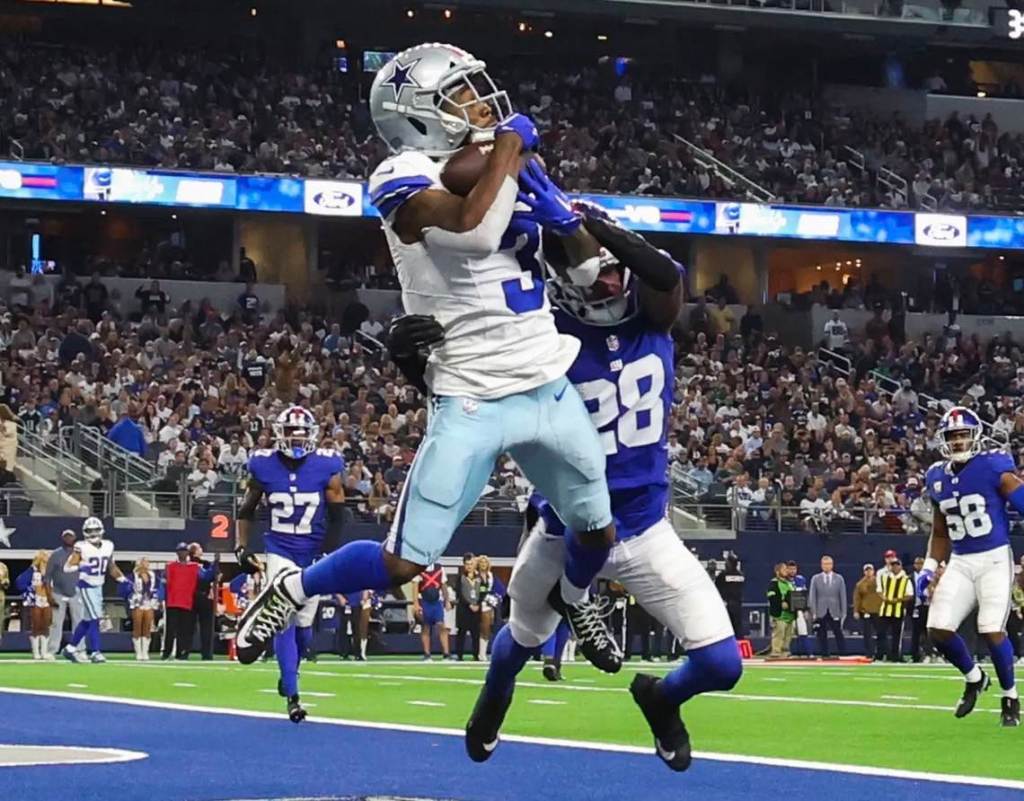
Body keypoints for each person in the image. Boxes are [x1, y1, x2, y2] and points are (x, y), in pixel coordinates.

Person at [234, 43, 619, 675]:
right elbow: (475, 232)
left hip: (547, 380)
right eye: (459, 92)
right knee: (403, 563)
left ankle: (575, 600)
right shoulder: (402, 172)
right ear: (414, 114)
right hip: (472, 392)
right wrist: (509, 153)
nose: (481, 101)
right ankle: (292, 589)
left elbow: (584, 272)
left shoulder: (502, 161)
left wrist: (560, 215)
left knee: (598, 529)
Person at [463, 201, 739, 772]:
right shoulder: (544, 339)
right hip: (565, 528)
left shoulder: (651, 316)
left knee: (721, 664)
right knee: (523, 637)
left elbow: (665, 275)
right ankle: (495, 696)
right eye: (601, 272)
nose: (613, 283)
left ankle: (660, 698)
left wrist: (599, 227)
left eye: (618, 270)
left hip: (644, 528)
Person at [234, 406, 345, 723]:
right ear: (279, 434)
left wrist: (328, 552)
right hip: (280, 549)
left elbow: (338, 516)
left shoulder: (327, 464)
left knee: (304, 631)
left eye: (301, 433)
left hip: (312, 552)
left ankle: (290, 674)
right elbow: (246, 509)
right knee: (282, 619)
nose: (296, 439)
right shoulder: (263, 464)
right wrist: (241, 546)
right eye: (290, 433)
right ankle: (293, 697)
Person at [917, 407, 1021, 726]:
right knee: (938, 628)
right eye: (953, 436)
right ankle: (975, 678)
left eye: (964, 435)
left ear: (976, 436)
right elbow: (939, 532)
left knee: (991, 629)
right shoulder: (936, 476)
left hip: (994, 558)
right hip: (961, 560)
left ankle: (1010, 697)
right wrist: (928, 568)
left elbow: (1018, 495)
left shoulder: (992, 465)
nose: (959, 441)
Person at [62, 517, 131, 663]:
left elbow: (111, 566)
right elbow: (67, 568)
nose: (93, 533)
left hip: (98, 585)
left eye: (95, 530)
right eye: (90, 530)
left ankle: (70, 648)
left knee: (87, 620)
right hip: (86, 585)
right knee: (95, 619)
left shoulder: (108, 545)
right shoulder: (81, 546)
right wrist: (81, 567)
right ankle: (95, 651)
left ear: (101, 530)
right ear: (85, 532)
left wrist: (123, 579)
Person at [45, 529, 83, 659]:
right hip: (58, 593)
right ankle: (51, 650)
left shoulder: (81, 554)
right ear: (62, 538)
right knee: (56, 623)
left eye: (70, 536)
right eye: (66, 537)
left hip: (76, 593)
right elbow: (47, 576)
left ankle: (79, 650)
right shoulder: (55, 554)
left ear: (75, 538)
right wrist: (49, 596)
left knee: (79, 623)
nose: (68, 539)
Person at [808, 556, 847, 659]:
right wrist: (814, 612)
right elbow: (812, 596)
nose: (827, 566)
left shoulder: (839, 578)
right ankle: (824, 654)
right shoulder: (815, 578)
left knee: (838, 632)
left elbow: (843, 596)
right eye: (825, 564)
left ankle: (843, 653)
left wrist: (843, 612)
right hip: (821, 610)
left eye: (829, 564)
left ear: (832, 565)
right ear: (821, 565)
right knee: (821, 634)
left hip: (835, 610)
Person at [412, 562, 451, 660]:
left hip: (437, 602)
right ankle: (427, 654)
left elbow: (444, 585)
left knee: (441, 625)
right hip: (424, 601)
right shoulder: (419, 568)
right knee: (425, 627)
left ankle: (446, 654)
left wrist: (447, 601)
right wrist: (416, 604)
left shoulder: (439, 568)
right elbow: (415, 586)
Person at [877, 558, 913, 663]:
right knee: (881, 633)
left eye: (897, 565)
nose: (895, 567)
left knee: (896, 635)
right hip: (885, 610)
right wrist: (885, 598)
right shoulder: (884, 577)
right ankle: (882, 654)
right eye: (893, 565)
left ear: (900, 566)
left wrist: (897, 600)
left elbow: (910, 594)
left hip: (898, 610)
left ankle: (895, 656)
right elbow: (879, 590)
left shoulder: (906, 579)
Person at [129, 558, 158, 661]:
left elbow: (156, 587)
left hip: (149, 602)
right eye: (144, 562)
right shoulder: (133, 575)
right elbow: (128, 588)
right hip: (137, 602)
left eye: (147, 562)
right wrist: (133, 596)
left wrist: (155, 597)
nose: (146, 564)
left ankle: (145, 651)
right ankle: (138, 652)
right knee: (137, 626)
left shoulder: (153, 575)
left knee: (147, 627)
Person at [26, 550, 52, 660]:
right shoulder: (34, 573)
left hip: (47, 601)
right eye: (45, 559)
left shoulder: (52, 573)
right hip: (36, 601)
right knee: (36, 626)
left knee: (46, 626)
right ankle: (36, 652)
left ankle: (44, 652)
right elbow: (37, 589)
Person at [853, 564, 882, 659]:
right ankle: (869, 653)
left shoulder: (879, 581)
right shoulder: (860, 584)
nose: (868, 572)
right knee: (867, 634)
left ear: (873, 571)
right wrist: (856, 611)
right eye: (867, 570)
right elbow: (857, 598)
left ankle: (880, 653)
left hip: (878, 611)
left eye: (870, 570)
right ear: (864, 572)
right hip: (866, 612)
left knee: (880, 633)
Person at [454, 555, 481, 661]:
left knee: (476, 634)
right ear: (464, 565)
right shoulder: (460, 578)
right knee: (461, 633)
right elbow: (459, 594)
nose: (469, 566)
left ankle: (476, 655)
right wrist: (469, 604)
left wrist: (478, 604)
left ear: (474, 565)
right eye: (467, 564)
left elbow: (483, 591)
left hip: (476, 610)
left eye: (471, 564)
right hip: (463, 610)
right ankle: (459, 655)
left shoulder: (480, 578)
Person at [476, 555, 502, 661]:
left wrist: (494, 598)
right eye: (481, 562)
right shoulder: (475, 575)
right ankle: (481, 653)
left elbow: (500, 590)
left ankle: (484, 653)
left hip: (489, 605)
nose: (483, 564)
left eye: (485, 562)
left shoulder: (491, 576)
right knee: (483, 628)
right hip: (478, 604)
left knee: (489, 628)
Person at [767, 563, 795, 659]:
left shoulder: (789, 583)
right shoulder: (774, 583)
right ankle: (776, 653)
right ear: (777, 572)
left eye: (786, 569)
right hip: (780, 615)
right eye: (784, 569)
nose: (786, 571)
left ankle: (785, 652)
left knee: (788, 636)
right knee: (779, 634)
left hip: (790, 615)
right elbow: (771, 596)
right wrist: (780, 603)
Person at [714, 553, 745, 638]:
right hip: (738, 605)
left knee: (727, 626)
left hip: (727, 605)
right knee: (737, 626)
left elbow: (717, 587)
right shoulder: (741, 575)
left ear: (729, 563)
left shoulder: (723, 575)